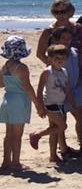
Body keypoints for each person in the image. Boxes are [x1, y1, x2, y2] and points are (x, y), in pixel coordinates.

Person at [1, 36, 43, 173]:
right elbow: (28, 88)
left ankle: (6, 162)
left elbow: (1, 84)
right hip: (19, 101)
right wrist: (38, 103)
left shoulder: (5, 66)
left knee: (9, 134)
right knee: (17, 135)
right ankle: (15, 163)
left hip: (7, 99)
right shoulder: (22, 68)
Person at [49, 25, 82, 154]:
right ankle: (63, 147)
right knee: (62, 121)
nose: (66, 40)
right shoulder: (55, 54)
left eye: (68, 38)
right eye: (63, 38)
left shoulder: (74, 51)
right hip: (61, 92)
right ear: (56, 40)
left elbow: (80, 66)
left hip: (75, 88)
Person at [38, 0, 82, 64]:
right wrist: (55, 66)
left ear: (70, 12)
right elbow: (40, 54)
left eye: (63, 11)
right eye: (56, 12)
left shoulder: (79, 28)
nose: (60, 15)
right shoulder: (48, 32)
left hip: (77, 68)